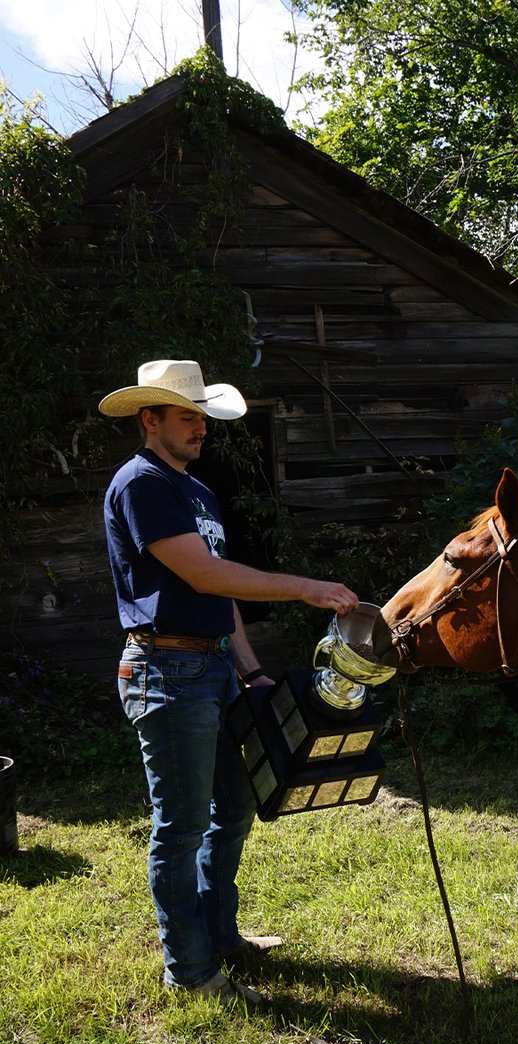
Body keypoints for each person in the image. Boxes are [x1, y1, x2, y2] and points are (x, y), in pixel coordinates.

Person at [100, 359, 359, 1007]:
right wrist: (305, 588)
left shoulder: (196, 491)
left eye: (202, 416)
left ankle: (222, 937)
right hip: (166, 672)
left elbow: (222, 600)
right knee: (180, 826)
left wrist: (251, 670)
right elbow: (205, 576)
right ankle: (189, 970)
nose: (201, 428)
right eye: (187, 416)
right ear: (149, 419)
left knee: (234, 808)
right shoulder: (141, 484)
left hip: (213, 668)